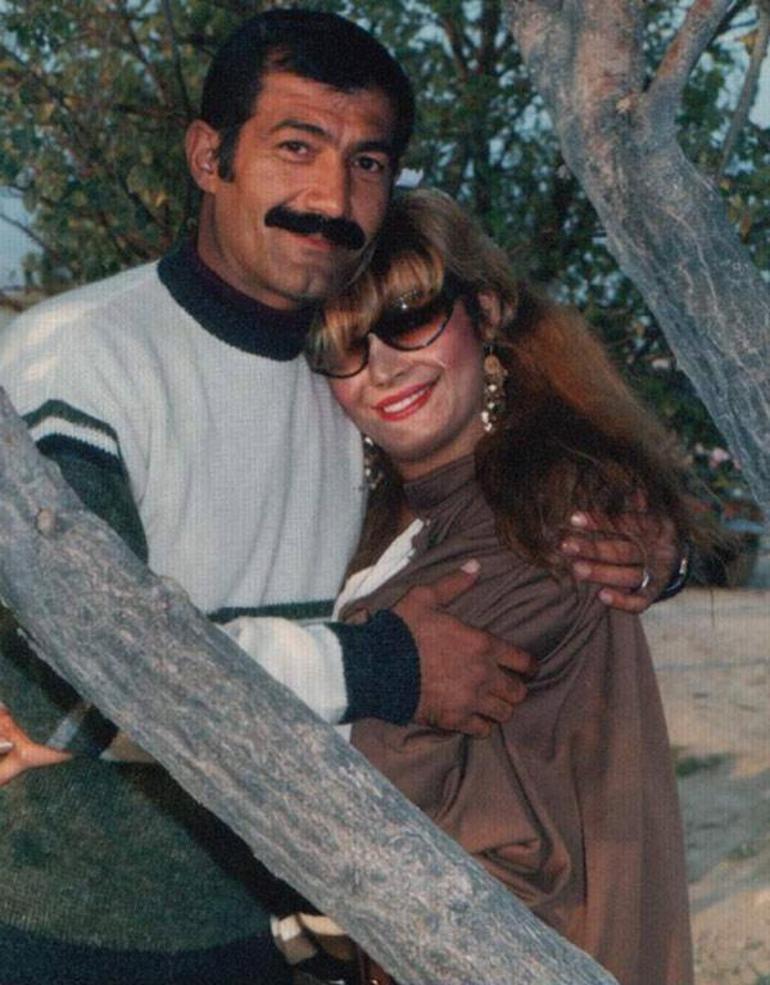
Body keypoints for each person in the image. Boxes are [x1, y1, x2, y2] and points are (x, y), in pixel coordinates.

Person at [0, 10, 686, 985]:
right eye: (295, 147)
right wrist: (377, 665)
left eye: (366, 162)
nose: (330, 196)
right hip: (75, 934)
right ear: (207, 156)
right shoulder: (79, 359)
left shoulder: (345, 384)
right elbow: (60, 686)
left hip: (283, 934)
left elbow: (507, 477)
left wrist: (656, 543)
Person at [279, 188, 697, 985]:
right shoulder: (390, 515)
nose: (382, 365)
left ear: (487, 310)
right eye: (345, 344)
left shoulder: (549, 524)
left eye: (409, 318)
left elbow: (351, 783)